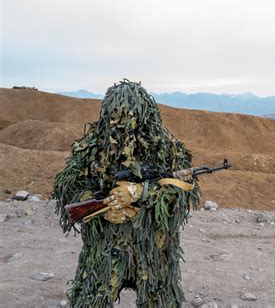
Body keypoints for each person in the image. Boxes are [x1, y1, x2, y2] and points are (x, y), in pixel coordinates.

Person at [52, 79, 200, 307]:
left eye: (129, 115)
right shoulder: (93, 145)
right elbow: (67, 186)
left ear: (144, 114)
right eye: (115, 115)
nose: (122, 122)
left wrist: (141, 191)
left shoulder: (166, 147)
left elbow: (183, 188)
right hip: (104, 249)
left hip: (153, 250)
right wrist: (102, 210)